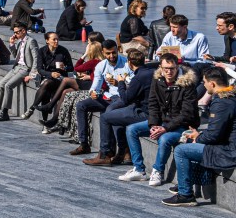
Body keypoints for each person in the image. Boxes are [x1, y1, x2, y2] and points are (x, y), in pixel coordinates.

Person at [120, 53, 199, 186]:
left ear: (177, 66)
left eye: (172, 68)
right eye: (165, 68)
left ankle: (158, 171)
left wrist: (165, 128)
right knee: (131, 129)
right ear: (160, 68)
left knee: (165, 139)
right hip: (162, 121)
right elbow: (153, 104)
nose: (168, 72)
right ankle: (139, 169)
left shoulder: (187, 83)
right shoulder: (157, 80)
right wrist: (153, 124)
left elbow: (187, 114)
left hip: (182, 125)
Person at [163, 67, 236, 206]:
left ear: (212, 84)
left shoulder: (222, 103)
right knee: (190, 144)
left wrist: (198, 138)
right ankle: (186, 183)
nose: (203, 85)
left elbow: (214, 136)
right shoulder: (230, 97)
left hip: (229, 151)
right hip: (228, 145)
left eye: (204, 82)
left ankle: (185, 194)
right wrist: (200, 135)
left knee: (181, 150)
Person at [83, 50, 156, 167]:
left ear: (130, 63)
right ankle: (123, 151)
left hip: (143, 113)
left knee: (106, 117)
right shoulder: (151, 72)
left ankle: (105, 155)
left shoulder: (138, 78)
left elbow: (126, 98)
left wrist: (120, 83)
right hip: (144, 109)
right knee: (115, 114)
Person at [69, 41, 129, 156]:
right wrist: (93, 92)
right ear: (103, 53)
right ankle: (84, 144)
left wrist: (119, 84)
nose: (111, 56)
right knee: (81, 105)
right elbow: (95, 84)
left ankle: (111, 151)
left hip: (121, 97)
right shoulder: (101, 66)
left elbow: (133, 86)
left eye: (114, 53)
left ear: (118, 50)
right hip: (108, 96)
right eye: (108, 53)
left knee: (109, 112)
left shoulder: (126, 63)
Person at [0, 23, 39, 122]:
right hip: (16, 68)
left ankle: (5, 112)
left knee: (8, 86)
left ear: (23, 31)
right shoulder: (20, 41)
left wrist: (32, 74)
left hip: (25, 69)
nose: (15, 34)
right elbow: (16, 55)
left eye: (17, 32)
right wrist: (12, 44)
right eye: (14, 32)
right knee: (0, 84)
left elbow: (36, 58)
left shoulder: (31, 41)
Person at [22, 32, 73, 121]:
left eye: (57, 39)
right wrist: (50, 74)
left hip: (60, 79)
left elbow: (71, 67)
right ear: (47, 41)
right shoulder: (42, 51)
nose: (56, 41)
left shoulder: (63, 51)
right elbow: (39, 69)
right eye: (54, 39)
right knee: (46, 89)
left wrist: (64, 68)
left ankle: (32, 108)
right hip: (47, 77)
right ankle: (45, 122)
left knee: (46, 84)